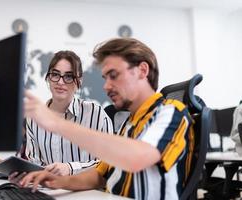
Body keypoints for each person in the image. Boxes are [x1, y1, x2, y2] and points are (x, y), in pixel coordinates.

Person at [16, 38, 195, 199]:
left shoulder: (171, 112)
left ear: (142, 70)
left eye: (113, 75)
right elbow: (100, 175)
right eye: (105, 78)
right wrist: (55, 181)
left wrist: (56, 123)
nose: (106, 86)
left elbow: (137, 158)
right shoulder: (129, 125)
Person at [24, 50, 113, 176]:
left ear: (79, 81)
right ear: (48, 78)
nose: (60, 82)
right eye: (55, 74)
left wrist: (70, 168)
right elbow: (36, 164)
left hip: (87, 192)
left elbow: (108, 162)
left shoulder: (95, 113)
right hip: (50, 191)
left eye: (68, 76)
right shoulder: (34, 118)